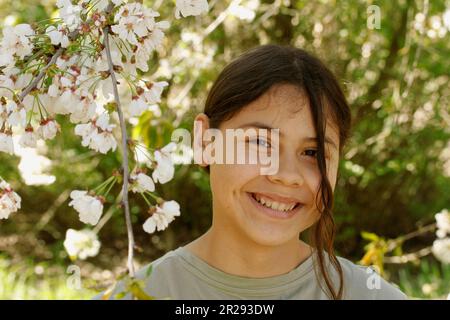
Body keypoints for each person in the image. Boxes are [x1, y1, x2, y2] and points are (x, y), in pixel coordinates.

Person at [98, 44, 407, 300]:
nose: (286, 175)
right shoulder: (137, 295)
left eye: (312, 153)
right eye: (260, 142)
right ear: (205, 141)